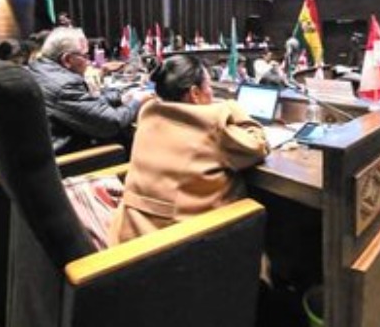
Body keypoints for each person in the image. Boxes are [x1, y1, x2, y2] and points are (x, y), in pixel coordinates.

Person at [107, 55, 269, 245]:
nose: (212, 93)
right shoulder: (212, 121)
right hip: (178, 248)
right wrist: (234, 108)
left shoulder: (148, 111)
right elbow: (259, 146)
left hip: (131, 235)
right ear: (194, 93)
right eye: (209, 87)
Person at [28, 27, 152, 154]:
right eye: (85, 55)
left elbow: (83, 104)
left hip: (48, 149)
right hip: (74, 159)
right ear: (67, 60)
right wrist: (137, 101)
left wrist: (120, 97)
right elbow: (112, 123)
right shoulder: (64, 85)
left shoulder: (39, 69)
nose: (89, 62)